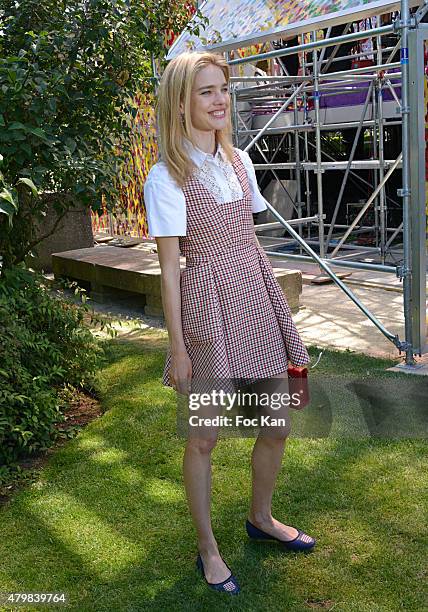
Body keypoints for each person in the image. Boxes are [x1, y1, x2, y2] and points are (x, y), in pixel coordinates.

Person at [143, 51, 315, 596]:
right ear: (180, 102)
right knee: (204, 437)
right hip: (207, 308)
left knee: (277, 423)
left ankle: (260, 519)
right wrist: (179, 347)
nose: (220, 100)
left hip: (255, 300)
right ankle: (207, 548)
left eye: (223, 90)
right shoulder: (166, 175)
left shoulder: (240, 160)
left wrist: (273, 305)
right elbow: (171, 271)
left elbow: (249, 237)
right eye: (206, 91)